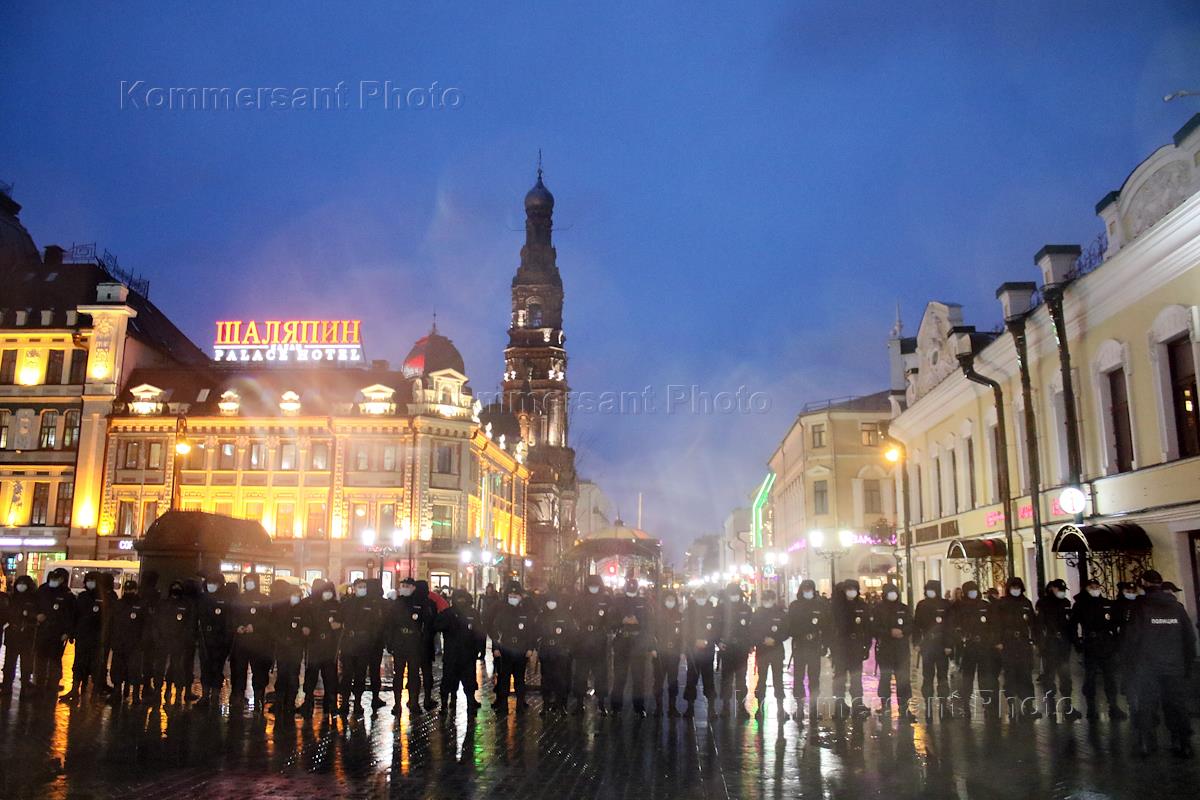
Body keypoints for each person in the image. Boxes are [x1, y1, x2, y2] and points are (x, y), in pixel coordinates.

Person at [1124, 569, 1196, 757]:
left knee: (1147, 705)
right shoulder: (1177, 608)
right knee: (1177, 705)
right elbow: (1189, 638)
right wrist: (1186, 664)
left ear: (1145, 584)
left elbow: (1132, 639)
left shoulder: (1140, 607)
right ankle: (1183, 742)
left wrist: (1130, 665)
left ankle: (1146, 743)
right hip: (1173, 666)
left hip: (1148, 667)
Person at [1072, 578, 1126, 721]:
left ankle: (1113, 706)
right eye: (1092, 587)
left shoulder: (1106, 603)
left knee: (1110, 677)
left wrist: (1116, 641)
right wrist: (1077, 642)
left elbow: (1115, 622)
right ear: (1086, 588)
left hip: (1106, 644)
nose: (1095, 589)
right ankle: (1091, 709)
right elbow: (1073, 624)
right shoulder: (1080, 604)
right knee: (1090, 678)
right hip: (1090, 644)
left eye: (1097, 586)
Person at [994, 576, 1039, 719]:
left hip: (1023, 643)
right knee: (1010, 674)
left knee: (1026, 674)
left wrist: (1034, 640)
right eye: (1013, 587)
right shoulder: (1002, 604)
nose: (1016, 590)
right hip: (1008, 643)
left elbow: (1033, 623)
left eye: (1018, 587)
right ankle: (1012, 704)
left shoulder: (1026, 603)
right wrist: (998, 641)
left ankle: (1028, 705)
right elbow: (997, 624)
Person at [436, 588, 486, 713]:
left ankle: (470, 703)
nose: (461, 601)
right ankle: (445, 704)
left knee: (468, 681)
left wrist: (480, 648)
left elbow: (479, 632)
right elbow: (437, 626)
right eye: (459, 598)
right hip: (452, 654)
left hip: (467, 654)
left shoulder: (472, 613)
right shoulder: (448, 613)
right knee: (448, 680)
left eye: (462, 598)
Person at [952, 580, 998, 719]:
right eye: (970, 591)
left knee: (984, 676)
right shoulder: (959, 607)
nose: (972, 593)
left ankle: (987, 702)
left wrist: (990, 640)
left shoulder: (985, 605)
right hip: (968, 647)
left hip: (983, 646)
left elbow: (992, 625)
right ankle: (966, 703)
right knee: (967, 676)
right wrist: (960, 640)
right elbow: (954, 626)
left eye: (974, 590)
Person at [341, 577, 387, 715]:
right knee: (347, 674)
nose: (362, 589)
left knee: (360, 674)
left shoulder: (371, 604)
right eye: (359, 587)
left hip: (364, 644)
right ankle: (345, 703)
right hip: (349, 643)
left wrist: (371, 639)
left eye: (364, 587)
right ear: (354, 588)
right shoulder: (347, 603)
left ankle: (357, 703)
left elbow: (376, 623)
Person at [298, 579, 342, 718]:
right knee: (311, 675)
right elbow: (304, 620)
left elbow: (342, 622)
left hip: (330, 646)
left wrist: (338, 626)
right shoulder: (309, 604)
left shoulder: (336, 605)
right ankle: (308, 702)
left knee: (330, 676)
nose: (327, 593)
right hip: (314, 644)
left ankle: (331, 704)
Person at [1038, 578, 1081, 720]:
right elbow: (1040, 625)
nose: (1062, 592)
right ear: (1053, 589)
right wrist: (1041, 645)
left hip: (1064, 646)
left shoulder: (1066, 603)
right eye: (1060, 590)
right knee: (1049, 678)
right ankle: (1051, 708)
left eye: (1063, 590)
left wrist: (1075, 641)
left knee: (1065, 677)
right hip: (1050, 645)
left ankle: (1067, 707)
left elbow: (1070, 624)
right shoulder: (1043, 603)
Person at [788, 579, 829, 725]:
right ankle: (799, 707)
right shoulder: (795, 606)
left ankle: (813, 708)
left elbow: (826, 625)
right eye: (805, 589)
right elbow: (789, 625)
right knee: (798, 678)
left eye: (809, 589)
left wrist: (824, 644)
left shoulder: (820, 605)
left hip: (814, 647)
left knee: (814, 678)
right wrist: (802, 634)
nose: (807, 592)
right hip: (799, 646)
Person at [570, 574, 613, 714]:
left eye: (596, 585)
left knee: (601, 674)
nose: (593, 588)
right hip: (583, 641)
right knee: (580, 674)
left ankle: (601, 703)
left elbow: (611, 618)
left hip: (599, 640)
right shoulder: (580, 600)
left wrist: (605, 629)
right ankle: (579, 702)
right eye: (591, 585)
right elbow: (574, 616)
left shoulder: (606, 600)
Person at [873, 582, 915, 722]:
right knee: (885, 678)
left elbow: (911, 624)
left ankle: (904, 707)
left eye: (894, 592)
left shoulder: (904, 608)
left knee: (903, 678)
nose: (892, 595)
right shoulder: (878, 609)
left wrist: (903, 631)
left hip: (901, 649)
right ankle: (885, 705)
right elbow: (874, 628)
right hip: (885, 649)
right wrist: (889, 632)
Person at [60, 571, 105, 702]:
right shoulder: (82, 597)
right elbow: (74, 615)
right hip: (82, 636)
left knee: (95, 665)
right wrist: (72, 633)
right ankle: (75, 690)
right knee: (78, 664)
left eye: (93, 581)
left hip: (96, 638)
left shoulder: (103, 598)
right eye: (88, 580)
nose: (90, 583)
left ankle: (94, 692)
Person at [490, 581, 535, 715]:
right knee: (504, 679)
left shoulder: (526, 612)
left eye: (516, 596)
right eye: (511, 596)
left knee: (519, 679)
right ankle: (503, 705)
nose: (513, 598)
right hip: (506, 650)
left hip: (521, 651)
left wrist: (530, 648)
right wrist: (495, 648)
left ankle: (520, 705)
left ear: (521, 597)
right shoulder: (502, 612)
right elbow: (496, 631)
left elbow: (531, 632)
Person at [830, 579, 872, 719]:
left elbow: (867, 628)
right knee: (840, 677)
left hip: (856, 646)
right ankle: (840, 705)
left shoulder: (862, 605)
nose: (851, 591)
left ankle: (857, 704)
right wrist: (831, 645)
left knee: (856, 677)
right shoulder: (836, 606)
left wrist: (866, 646)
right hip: (840, 646)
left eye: (854, 588)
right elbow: (830, 626)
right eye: (849, 589)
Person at [230, 573, 272, 711]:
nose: (249, 583)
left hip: (258, 642)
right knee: (239, 670)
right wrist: (237, 626)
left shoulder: (264, 599)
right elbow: (232, 615)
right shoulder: (239, 599)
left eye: (251, 581)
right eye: (247, 581)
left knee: (259, 672)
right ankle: (238, 697)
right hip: (241, 642)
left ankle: (259, 698)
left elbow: (268, 619)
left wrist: (255, 627)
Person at [913, 579, 953, 719]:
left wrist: (949, 644)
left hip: (942, 645)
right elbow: (916, 625)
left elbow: (950, 626)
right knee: (927, 677)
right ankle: (928, 704)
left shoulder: (945, 605)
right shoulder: (922, 605)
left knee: (942, 676)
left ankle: (943, 705)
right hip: (927, 645)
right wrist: (917, 643)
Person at [33, 567, 74, 697]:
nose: (55, 581)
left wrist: (68, 632)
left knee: (55, 660)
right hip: (42, 630)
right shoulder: (43, 590)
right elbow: (34, 606)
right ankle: (39, 684)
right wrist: (36, 615)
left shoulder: (67, 595)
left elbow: (71, 615)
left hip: (58, 633)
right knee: (40, 659)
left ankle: (53, 685)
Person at [535, 590, 576, 715]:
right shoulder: (542, 615)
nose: (550, 604)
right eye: (548, 601)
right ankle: (546, 704)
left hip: (560, 652)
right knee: (546, 680)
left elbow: (572, 633)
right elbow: (536, 631)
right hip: (546, 651)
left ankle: (561, 704)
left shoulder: (564, 615)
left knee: (561, 680)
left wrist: (567, 648)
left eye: (553, 601)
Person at [750, 589, 789, 720]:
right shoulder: (757, 614)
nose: (768, 602)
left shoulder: (780, 613)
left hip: (777, 650)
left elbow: (786, 630)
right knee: (761, 680)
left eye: (770, 599)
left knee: (778, 680)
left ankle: (780, 708)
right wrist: (762, 640)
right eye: (765, 599)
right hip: (762, 651)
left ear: (774, 600)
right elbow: (752, 631)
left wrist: (776, 640)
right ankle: (760, 708)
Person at [717, 582, 754, 719]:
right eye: (732, 593)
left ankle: (741, 705)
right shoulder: (721, 609)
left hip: (741, 649)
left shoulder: (746, 609)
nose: (734, 596)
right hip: (727, 648)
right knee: (726, 678)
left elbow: (750, 628)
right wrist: (718, 642)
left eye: (736, 593)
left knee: (741, 678)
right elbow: (716, 628)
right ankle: (725, 706)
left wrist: (750, 644)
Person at [195, 574, 232, 707]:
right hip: (205, 639)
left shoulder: (225, 599)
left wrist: (226, 641)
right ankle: (205, 695)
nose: (211, 585)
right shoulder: (203, 598)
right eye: (209, 582)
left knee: (217, 669)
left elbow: (228, 621)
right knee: (205, 668)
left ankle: (215, 696)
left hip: (220, 641)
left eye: (214, 583)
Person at [108, 579, 147, 706]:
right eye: (127, 589)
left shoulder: (141, 604)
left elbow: (145, 625)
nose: (129, 592)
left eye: (131, 589)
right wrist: (112, 640)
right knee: (117, 670)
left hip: (135, 644)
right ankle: (117, 692)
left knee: (135, 670)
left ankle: (135, 696)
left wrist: (142, 642)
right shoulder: (118, 604)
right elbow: (112, 623)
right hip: (119, 643)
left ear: (136, 590)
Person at [1, 575, 38, 695]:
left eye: (24, 584)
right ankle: (6, 687)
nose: (21, 586)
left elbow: (36, 616)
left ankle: (25, 688)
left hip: (27, 636)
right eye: (19, 583)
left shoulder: (33, 599)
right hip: (12, 635)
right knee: (9, 664)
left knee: (26, 664)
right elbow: (5, 614)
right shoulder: (11, 598)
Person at [651, 590, 685, 717]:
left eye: (672, 599)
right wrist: (652, 648)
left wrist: (682, 651)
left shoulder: (679, 616)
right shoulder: (657, 615)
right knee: (658, 681)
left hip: (674, 653)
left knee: (673, 681)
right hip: (660, 653)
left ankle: (672, 707)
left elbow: (683, 635)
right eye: (668, 599)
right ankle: (658, 707)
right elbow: (651, 633)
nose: (670, 602)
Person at [411, 580, 439, 710]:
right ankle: (427, 699)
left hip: (413, 643)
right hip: (427, 643)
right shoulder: (431, 604)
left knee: (414, 673)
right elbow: (435, 623)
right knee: (427, 672)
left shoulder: (411, 602)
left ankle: (414, 701)